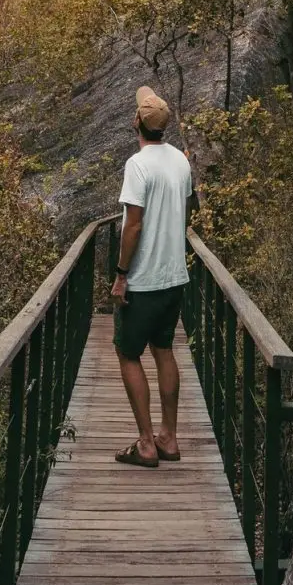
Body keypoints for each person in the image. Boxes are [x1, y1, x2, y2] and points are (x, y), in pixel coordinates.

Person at [109, 85, 192, 467]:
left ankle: (145, 443)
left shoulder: (137, 165)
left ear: (137, 122)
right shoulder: (181, 162)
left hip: (143, 281)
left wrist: (122, 274)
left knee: (127, 353)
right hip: (175, 277)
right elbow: (183, 213)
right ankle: (169, 438)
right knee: (164, 350)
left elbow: (133, 226)